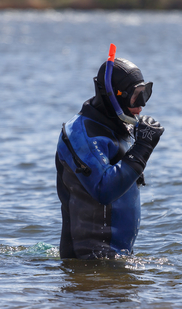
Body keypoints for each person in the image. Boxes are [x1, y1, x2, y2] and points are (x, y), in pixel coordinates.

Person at [56, 49, 164, 259]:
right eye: (135, 96)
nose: (141, 105)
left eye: (145, 94)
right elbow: (103, 190)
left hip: (114, 258)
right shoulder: (81, 135)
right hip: (87, 260)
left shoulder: (120, 127)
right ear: (112, 96)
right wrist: (143, 147)